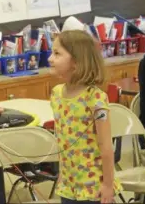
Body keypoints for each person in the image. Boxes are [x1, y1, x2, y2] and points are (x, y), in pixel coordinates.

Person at [48, 30, 122, 204]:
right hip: (69, 185)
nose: (50, 58)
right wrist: (62, 175)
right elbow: (62, 141)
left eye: (57, 53)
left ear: (76, 61)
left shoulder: (95, 98)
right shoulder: (56, 94)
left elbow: (106, 147)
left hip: (93, 187)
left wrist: (108, 185)